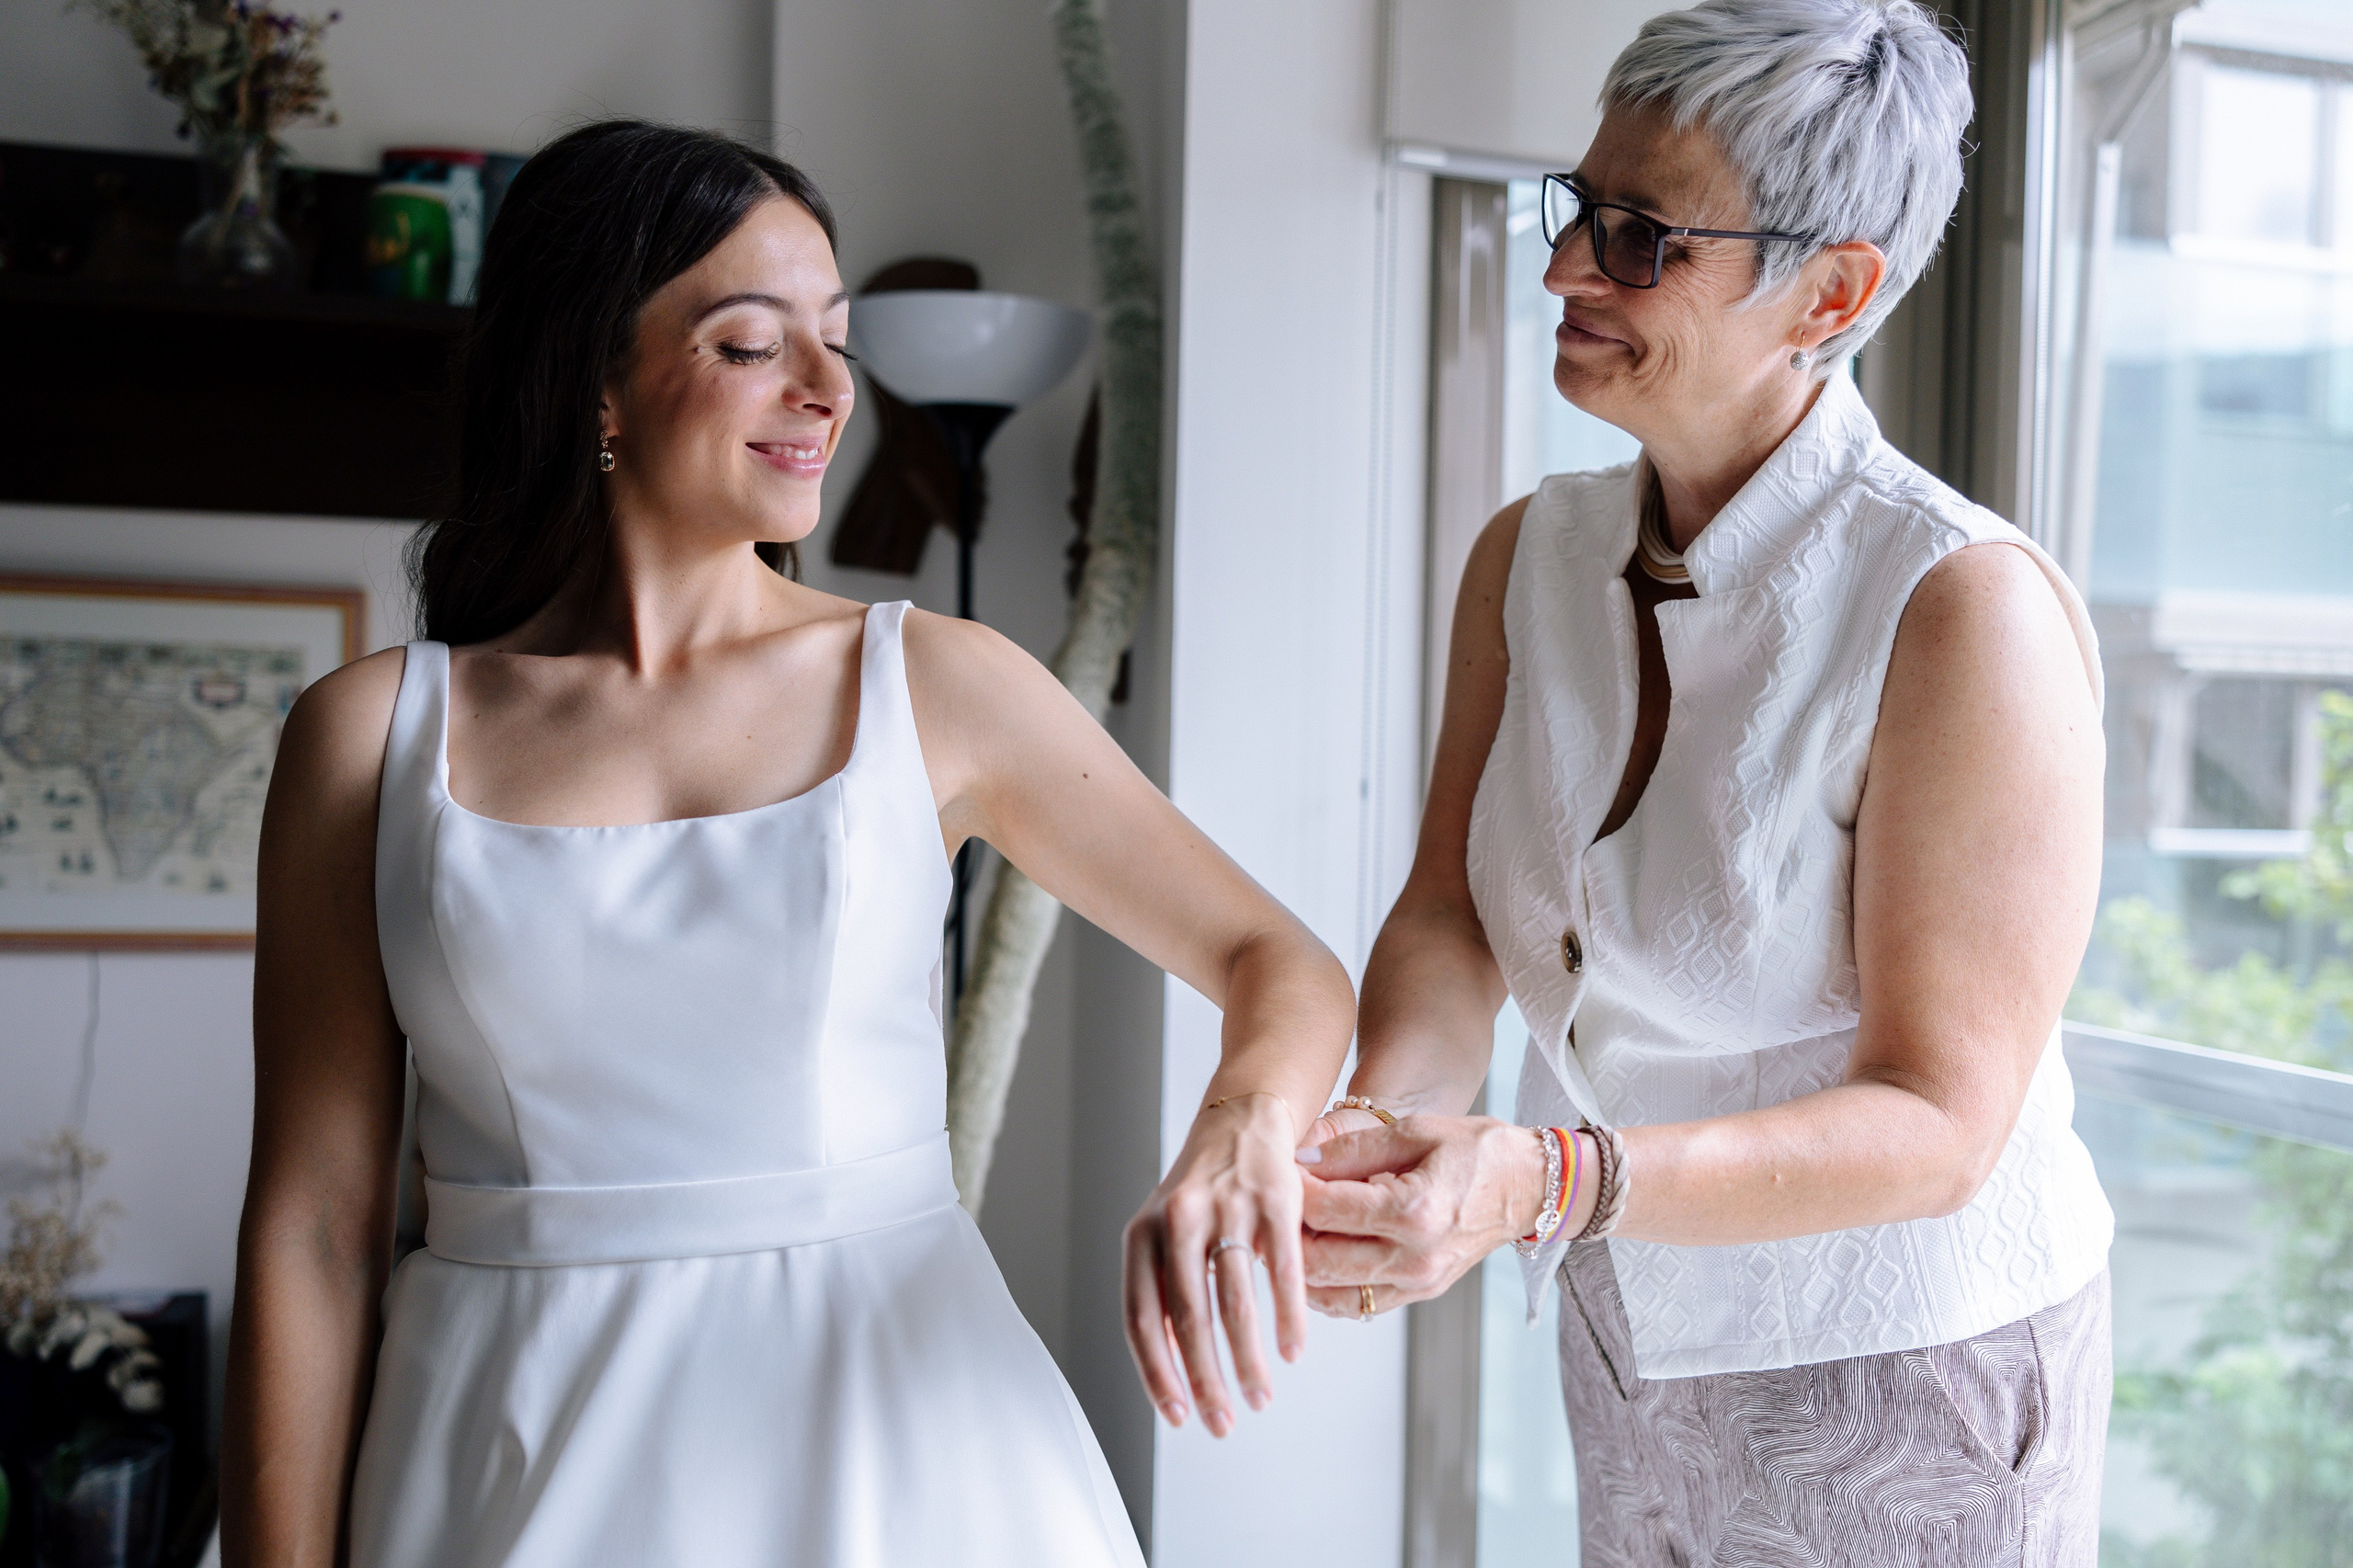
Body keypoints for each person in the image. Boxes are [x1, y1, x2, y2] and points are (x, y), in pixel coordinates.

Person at [220, 120, 1351, 1568]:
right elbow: (311, 1226)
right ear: (595, 377)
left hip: (905, 1464)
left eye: (838, 340)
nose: (828, 392)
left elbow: (1282, 961)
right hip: (504, 1460)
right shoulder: (368, 738)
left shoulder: (935, 684)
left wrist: (1239, 1137)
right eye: (755, 344)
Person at [1296, 2, 2115, 1562]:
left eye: (1643, 238)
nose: (1564, 271)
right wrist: (1392, 1130)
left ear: (1834, 288)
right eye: (1579, 211)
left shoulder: (1960, 604)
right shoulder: (1526, 554)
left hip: (1911, 1370)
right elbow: (1454, 917)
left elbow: (1941, 1122)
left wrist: (1537, 1178)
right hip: (1625, 1318)